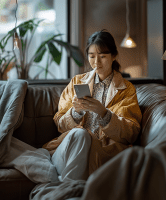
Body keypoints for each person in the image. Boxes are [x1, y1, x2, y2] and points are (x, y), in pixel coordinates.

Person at [43, 29, 142, 181]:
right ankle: (71, 189)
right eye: (92, 56)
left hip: (101, 154)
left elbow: (131, 132)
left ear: (114, 56)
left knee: (85, 137)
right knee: (81, 134)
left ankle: (68, 188)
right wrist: (75, 113)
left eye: (102, 56)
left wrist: (104, 113)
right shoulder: (77, 82)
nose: (96, 62)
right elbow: (60, 124)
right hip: (67, 150)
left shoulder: (126, 90)